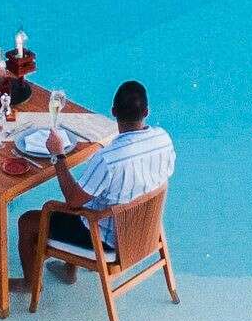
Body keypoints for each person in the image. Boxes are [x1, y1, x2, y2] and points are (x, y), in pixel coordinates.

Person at [21, 79, 173, 288]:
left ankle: (30, 285)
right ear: (146, 112)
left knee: (29, 221)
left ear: (113, 111)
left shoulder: (107, 160)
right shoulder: (163, 139)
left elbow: (73, 201)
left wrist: (58, 155)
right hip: (144, 231)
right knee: (92, 198)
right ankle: (68, 269)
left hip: (108, 241)